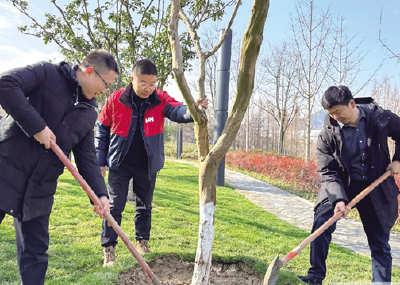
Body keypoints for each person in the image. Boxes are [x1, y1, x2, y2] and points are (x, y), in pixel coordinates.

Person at [0, 49, 118, 285]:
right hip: (6, 172)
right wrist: (37, 127)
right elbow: (5, 84)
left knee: (36, 253)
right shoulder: (46, 74)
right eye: (106, 84)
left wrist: (100, 194)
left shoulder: (87, 113)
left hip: (40, 189)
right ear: (88, 71)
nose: (106, 91)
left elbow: (86, 159)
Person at [95, 59, 207, 266]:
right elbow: (102, 131)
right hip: (119, 163)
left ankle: (142, 242)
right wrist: (100, 161)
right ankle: (109, 249)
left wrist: (194, 109)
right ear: (133, 79)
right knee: (114, 206)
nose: (148, 88)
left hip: (147, 165)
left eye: (153, 83)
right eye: (143, 82)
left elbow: (177, 111)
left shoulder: (160, 99)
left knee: (144, 206)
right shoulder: (116, 99)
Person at [298, 85, 400, 284]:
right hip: (342, 184)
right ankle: (315, 275)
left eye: (338, 112)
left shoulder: (379, 117)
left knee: (379, 239)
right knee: (321, 224)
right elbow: (328, 172)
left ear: (352, 104)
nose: (335, 117)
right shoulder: (327, 135)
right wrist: (337, 200)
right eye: (330, 114)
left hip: (375, 185)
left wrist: (398, 159)